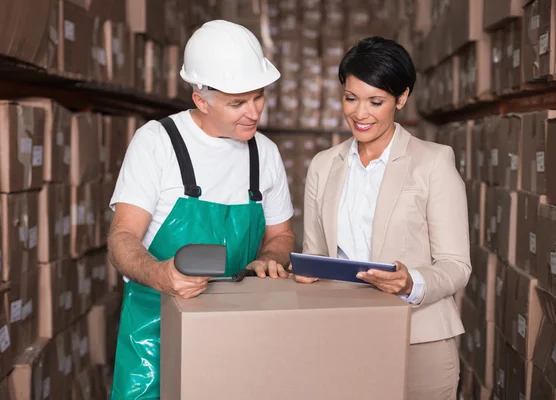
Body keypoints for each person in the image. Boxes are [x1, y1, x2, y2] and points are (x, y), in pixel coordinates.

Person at [108, 20, 296, 399]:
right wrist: (159, 274)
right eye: (236, 103)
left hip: (238, 333)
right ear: (201, 99)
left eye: (258, 97)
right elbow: (121, 237)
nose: (253, 112)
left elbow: (281, 235)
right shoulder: (157, 143)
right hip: (154, 334)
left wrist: (270, 258)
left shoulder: (266, 154)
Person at [295, 37, 470, 400]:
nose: (360, 114)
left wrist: (411, 283)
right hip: (341, 334)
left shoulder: (433, 162)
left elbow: (456, 265)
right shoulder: (324, 165)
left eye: (376, 102)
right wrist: (309, 271)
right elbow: (315, 253)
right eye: (350, 98)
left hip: (418, 336)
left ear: (401, 98)